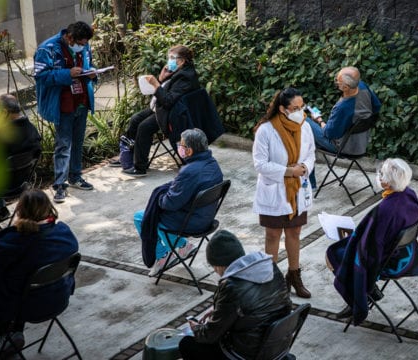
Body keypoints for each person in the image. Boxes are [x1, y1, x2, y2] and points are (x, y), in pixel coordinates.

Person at [0, 189, 79, 359]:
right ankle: (14, 333)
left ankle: (5, 340)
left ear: (20, 210)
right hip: (58, 298)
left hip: (24, 306)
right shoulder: (64, 233)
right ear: (49, 208)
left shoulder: (12, 241)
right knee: (20, 283)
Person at [325, 158, 418, 324]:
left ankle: (359, 297)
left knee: (333, 254)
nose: (379, 177)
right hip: (404, 253)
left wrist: (352, 239)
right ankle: (367, 292)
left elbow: (369, 248)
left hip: (387, 260)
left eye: (381, 174)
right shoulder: (409, 195)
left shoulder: (384, 210)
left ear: (386, 183)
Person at [178, 230, 292, 359]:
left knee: (187, 344)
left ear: (220, 265)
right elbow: (256, 306)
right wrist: (219, 309)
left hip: (248, 353)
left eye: (214, 267)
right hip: (277, 345)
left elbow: (210, 335)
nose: (215, 271)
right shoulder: (270, 267)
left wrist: (196, 328)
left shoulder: (232, 286)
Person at [252, 87, 315, 298]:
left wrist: (305, 167)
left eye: (302, 106)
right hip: (275, 189)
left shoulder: (305, 127)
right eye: (295, 108)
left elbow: (311, 154)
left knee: (294, 233)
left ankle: (294, 276)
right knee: (272, 235)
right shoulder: (266, 130)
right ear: (282, 109)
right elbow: (260, 164)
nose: (300, 112)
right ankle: (270, 281)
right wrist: (289, 171)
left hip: (297, 189)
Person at [134, 128, 223, 276]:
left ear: (189, 151)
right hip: (206, 217)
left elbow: (169, 203)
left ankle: (162, 257)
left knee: (143, 217)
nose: (179, 147)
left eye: (181, 145)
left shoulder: (189, 171)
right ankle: (182, 246)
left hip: (191, 222)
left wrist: (160, 198)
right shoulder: (213, 164)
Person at [113, 45, 201, 177]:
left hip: (173, 113)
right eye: (169, 57)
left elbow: (168, 100)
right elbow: (167, 92)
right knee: (135, 119)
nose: (169, 60)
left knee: (144, 127)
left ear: (182, 61)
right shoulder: (178, 72)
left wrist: (155, 84)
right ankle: (127, 157)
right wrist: (162, 78)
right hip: (162, 108)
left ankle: (140, 167)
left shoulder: (186, 77)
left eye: (172, 58)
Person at [34, 21, 96, 203]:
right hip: (62, 104)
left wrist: (93, 73)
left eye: (85, 44)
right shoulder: (47, 49)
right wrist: (67, 74)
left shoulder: (83, 45)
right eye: (80, 43)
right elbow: (41, 77)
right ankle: (60, 185)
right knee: (63, 145)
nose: (83, 47)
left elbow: (89, 64)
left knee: (78, 141)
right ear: (69, 37)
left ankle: (75, 176)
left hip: (81, 102)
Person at [0, 94, 42, 238]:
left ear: (4, 113)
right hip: (22, 183)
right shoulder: (31, 130)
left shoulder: (1, 138)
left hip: (0, 186)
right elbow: (37, 153)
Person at [305, 66, 381, 187]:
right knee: (308, 137)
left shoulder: (343, 107)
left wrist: (320, 120)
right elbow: (376, 107)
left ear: (345, 87)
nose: (336, 82)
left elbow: (329, 134)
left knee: (304, 124)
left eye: (337, 81)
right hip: (362, 144)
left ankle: (310, 184)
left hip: (344, 148)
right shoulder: (362, 86)